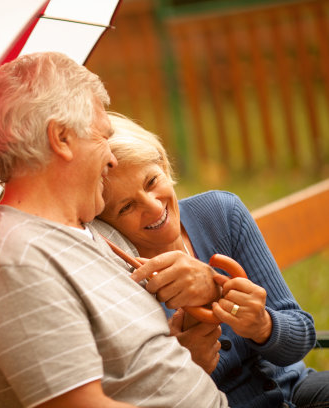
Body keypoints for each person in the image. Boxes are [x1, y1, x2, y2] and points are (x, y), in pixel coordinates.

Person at [0, 52, 229, 408]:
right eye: (102, 137)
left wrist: (199, 304)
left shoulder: (93, 233)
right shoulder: (12, 259)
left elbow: (135, 370)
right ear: (62, 138)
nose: (111, 159)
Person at [95, 112, 329, 408]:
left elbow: (300, 339)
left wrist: (263, 324)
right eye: (127, 206)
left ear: (164, 167)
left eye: (152, 181)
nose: (153, 207)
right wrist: (186, 368)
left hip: (297, 390)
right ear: (106, 223)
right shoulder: (119, 275)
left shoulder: (221, 214)